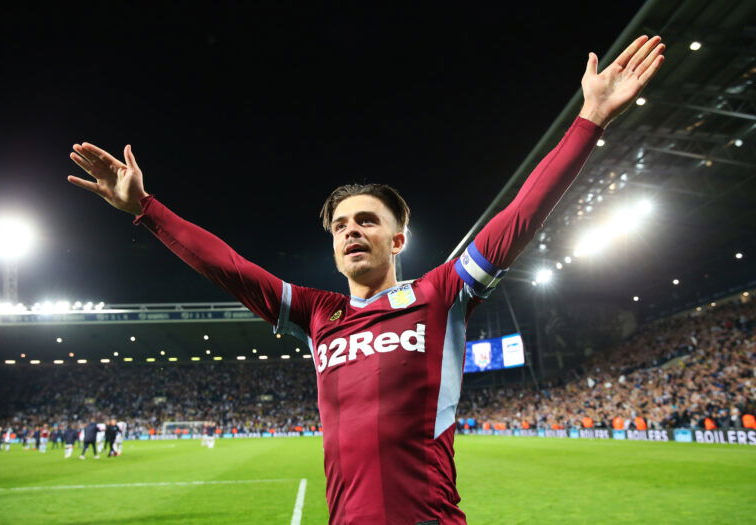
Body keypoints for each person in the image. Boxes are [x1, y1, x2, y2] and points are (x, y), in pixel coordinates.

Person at [68, 35, 664, 525]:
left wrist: (589, 119)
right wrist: (146, 209)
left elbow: (521, 215)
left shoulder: (440, 295)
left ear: (398, 240)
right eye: (340, 225)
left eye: (367, 221)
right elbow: (229, 267)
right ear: (333, 247)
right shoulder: (317, 314)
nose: (351, 230)